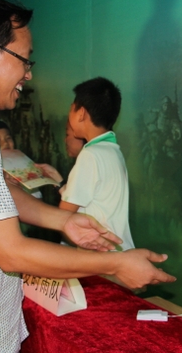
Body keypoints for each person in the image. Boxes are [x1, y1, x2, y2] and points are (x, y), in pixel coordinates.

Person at [0, 0, 174, 353]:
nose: (29, 74)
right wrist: (115, 262)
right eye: (24, 59)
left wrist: (63, 221)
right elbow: (12, 252)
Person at [58, 77, 135, 251]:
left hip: (99, 255)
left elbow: (62, 216)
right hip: (116, 251)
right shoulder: (113, 151)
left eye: (71, 109)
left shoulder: (90, 155)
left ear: (81, 113)